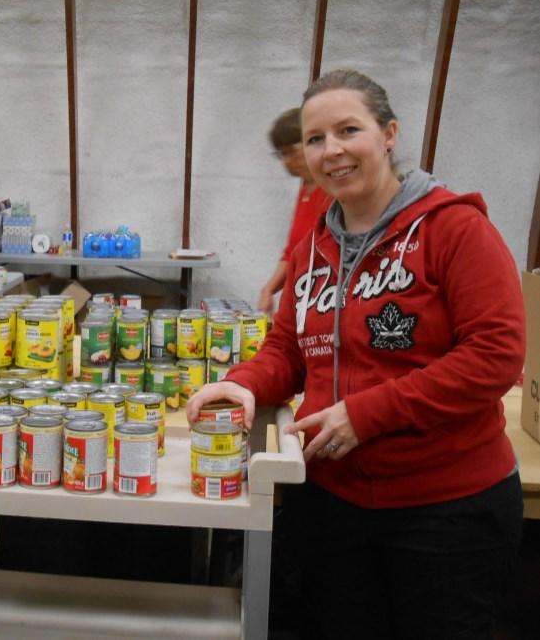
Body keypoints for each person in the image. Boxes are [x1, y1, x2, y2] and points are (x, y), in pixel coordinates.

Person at [187, 69, 524, 639]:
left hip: (446, 510)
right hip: (333, 505)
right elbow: (288, 350)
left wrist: (365, 415)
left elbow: (495, 355)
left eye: (348, 130)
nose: (332, 151)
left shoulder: (455, 229)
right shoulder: (313, 248)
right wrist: (244, 383)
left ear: (388, 134)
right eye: (316, 139)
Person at [257, 108, 332, 314]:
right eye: (281, 154)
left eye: (290, 151)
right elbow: (294, 250)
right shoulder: (306, 187)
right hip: (304, 297)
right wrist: (268, 290)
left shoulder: (332, 192)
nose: (285, 161)